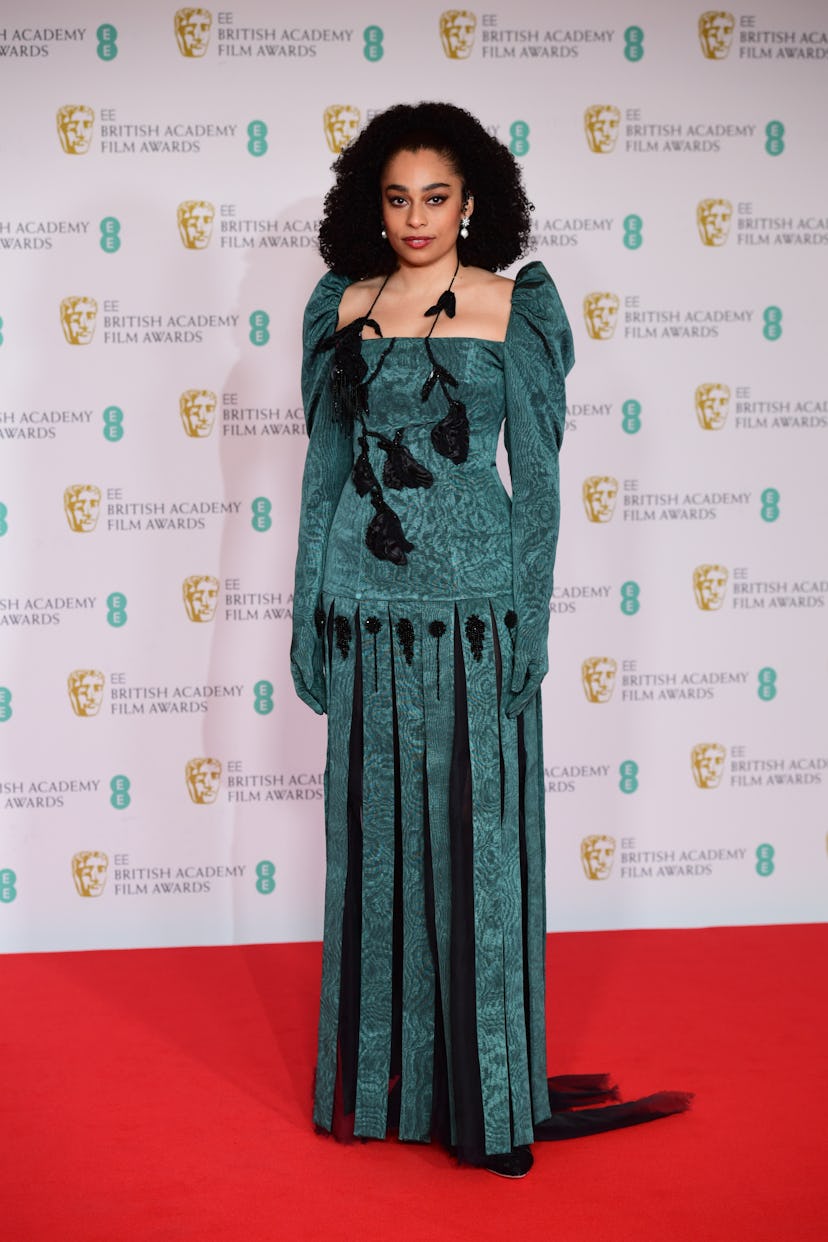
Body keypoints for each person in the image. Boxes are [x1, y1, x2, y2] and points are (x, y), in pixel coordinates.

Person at [291, 101, 690, 1178]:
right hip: (366, 615)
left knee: (478, 850)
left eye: (437, 196)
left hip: (475, 618)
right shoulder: (344, 304)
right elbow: (325, 476)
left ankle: (488, 1098)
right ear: (372, 204)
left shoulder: (519, 308)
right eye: (397, 197)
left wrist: (532, 615)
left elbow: (543, 487)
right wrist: (304, 611)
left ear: (473, 203)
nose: (416, 218)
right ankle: (397, 1089)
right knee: (374, 854)